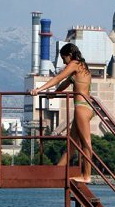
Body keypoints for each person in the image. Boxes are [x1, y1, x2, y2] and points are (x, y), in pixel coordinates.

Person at [30, 43, 94, 183]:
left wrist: (39, 90)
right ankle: (57, 171)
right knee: (72, 144)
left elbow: (58, 78)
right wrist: (55, 93)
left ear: (69, 56)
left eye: (64, 58)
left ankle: (87, 176)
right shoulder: (82, 66)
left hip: (81, 107)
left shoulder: (74, 64)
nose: (64, 62)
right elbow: (65, 82)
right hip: (87, 107)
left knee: (86, 142)